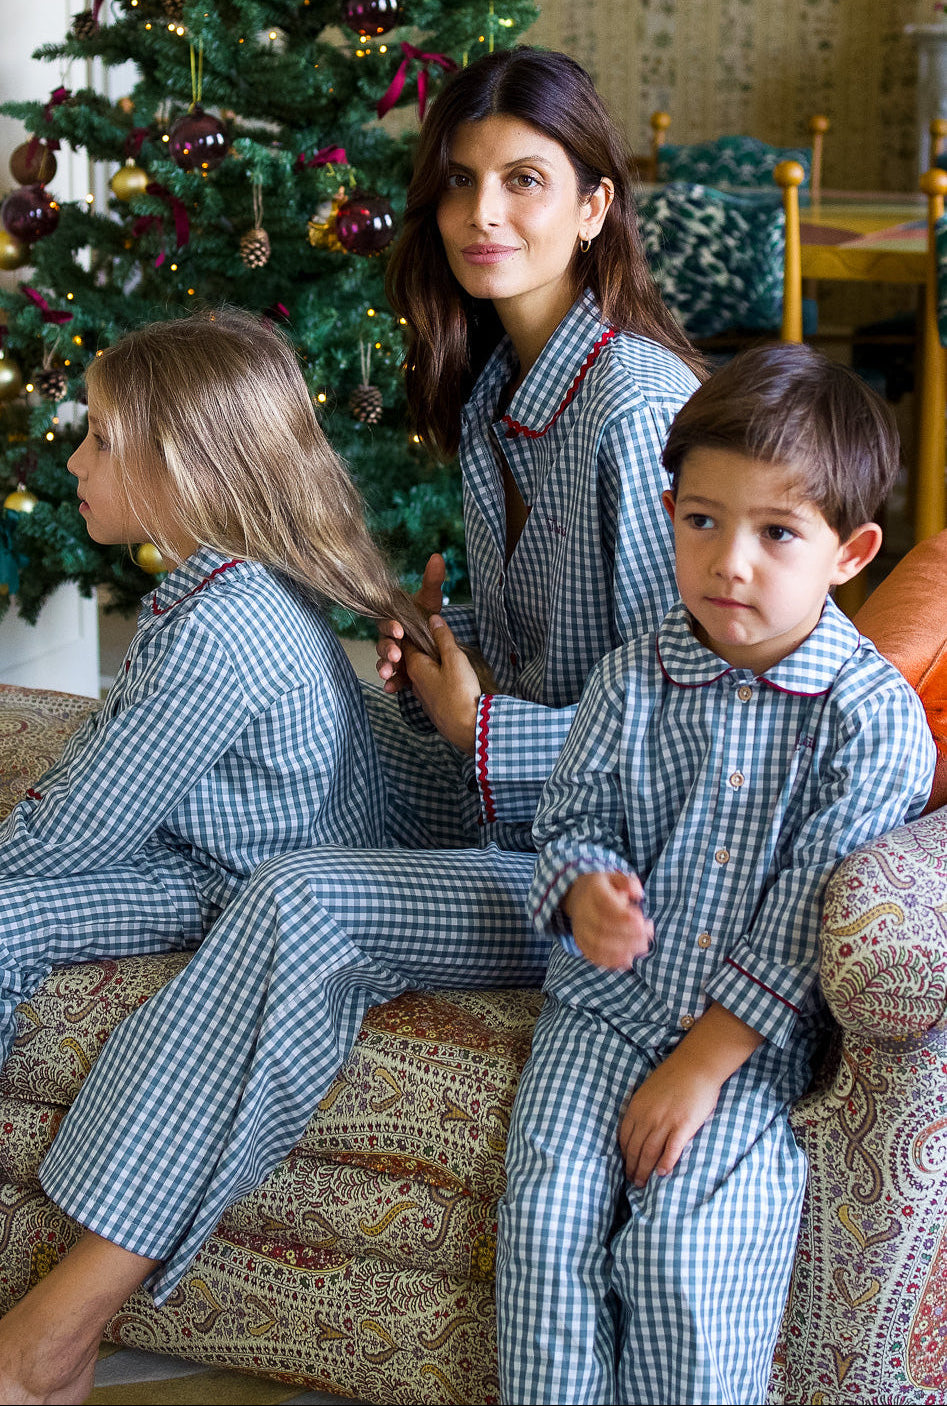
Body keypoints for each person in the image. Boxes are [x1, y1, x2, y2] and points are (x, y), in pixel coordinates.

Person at [0, 48, 702, 1404]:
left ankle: (55, 1334)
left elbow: (675, 720)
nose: (481, 213)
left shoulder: (631, 409)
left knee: (303, 896)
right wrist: (443, 655)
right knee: (292, 767)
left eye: (524, 181)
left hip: (606, 870)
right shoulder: (500, 394)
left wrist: (482, 722)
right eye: (458, 181)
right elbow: (564, 645)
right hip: (506, 808)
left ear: (594, 206)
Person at [0, 307, 435, 1400]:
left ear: (181, 462)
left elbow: (81, 828)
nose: (75, 460)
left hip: (229, 892)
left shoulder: (222, 621)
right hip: (215, 864)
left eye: (101, 437)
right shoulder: (227, 584)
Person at [497, 343, 936, 1406]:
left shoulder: (869, 719)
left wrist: (701, 1063)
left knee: (683, 1257)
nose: (728, 562)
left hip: (744, 1045)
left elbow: (804, 908)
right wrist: (582, 886)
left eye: (775, 532)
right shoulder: (632, 674)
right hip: (601, 1011)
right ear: (670, 514)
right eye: (700, 520)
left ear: (848, 552)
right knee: (546, 1216)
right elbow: (568, 817)